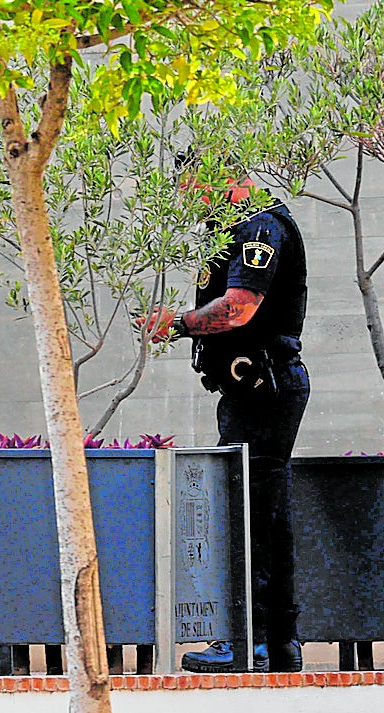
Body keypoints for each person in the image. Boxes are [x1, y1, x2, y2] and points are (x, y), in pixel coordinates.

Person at [140, 165, 310, 673]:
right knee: (266, 516)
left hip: (263, 388)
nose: (187, 198)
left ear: (220, 176)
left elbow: (239, 308)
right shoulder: (238, 229)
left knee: (249, 516)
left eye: (188, 184)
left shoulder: (259, 229)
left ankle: (247, 642)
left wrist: (179, 324)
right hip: (252, 389)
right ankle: (276, 643)